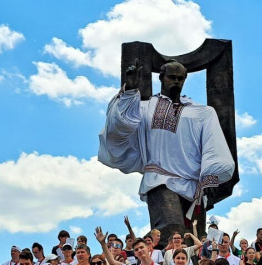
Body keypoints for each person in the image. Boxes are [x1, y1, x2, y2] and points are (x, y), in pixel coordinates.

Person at [98, 59, 235, 239]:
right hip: (159, 179)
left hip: (193, 185)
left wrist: (209, 177)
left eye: (180, 78)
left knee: (195, 239)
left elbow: (214, 146)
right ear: (161, 78)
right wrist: (129, 92)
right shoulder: (144, 108)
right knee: (171, 230)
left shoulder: (202, 113)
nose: (176, 81)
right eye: (172, 77)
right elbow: (118, 127)